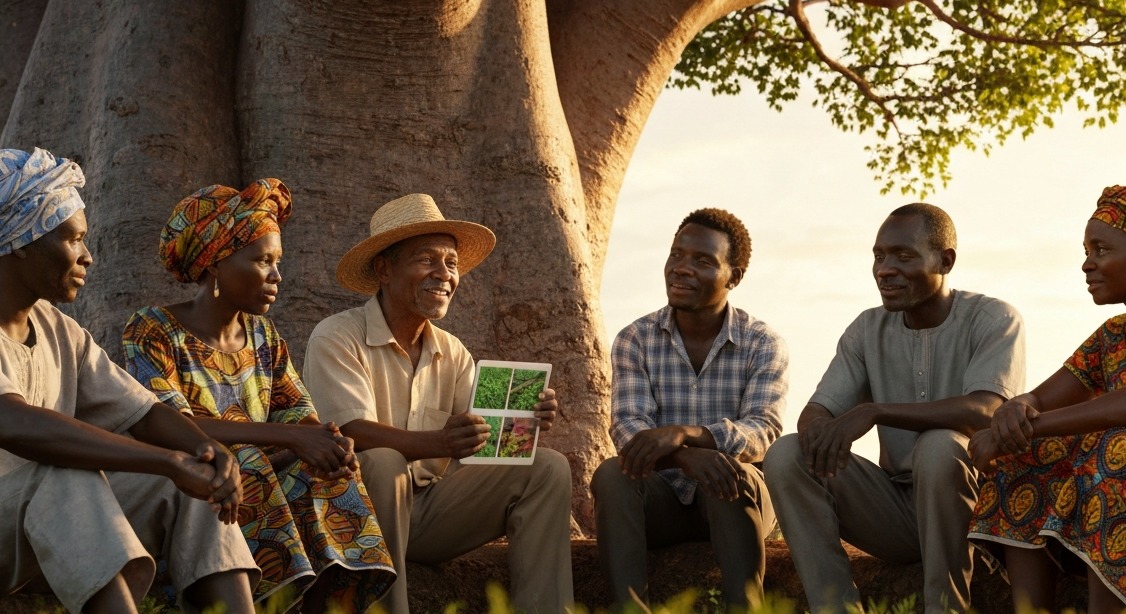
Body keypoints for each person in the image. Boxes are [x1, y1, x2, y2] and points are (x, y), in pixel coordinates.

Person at [0, 147, 259, 614]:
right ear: (21, 240)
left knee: (190, 487)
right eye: (73, 239)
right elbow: (15, 423)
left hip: (43, 526)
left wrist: (205, 451)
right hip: (18, 517)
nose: (87, 256)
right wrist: (166, 460)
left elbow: (141, 411)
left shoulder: (60, 331)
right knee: (63, 475)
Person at [122, 179, 395, 612]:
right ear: (216, 262)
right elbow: (167, 423)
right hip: (188, 485)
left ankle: (328, 603)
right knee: (245, 460)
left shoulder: (263, 335)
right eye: (263, 260)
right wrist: (290, 437)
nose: (276, 276)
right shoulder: (152, 330)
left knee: (327, 470)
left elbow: (296, 412)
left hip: (261, 478)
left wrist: (325, 441)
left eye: (277, 261)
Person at [302, 193, 573, 613]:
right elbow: (348, 432)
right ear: (384, 270)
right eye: (427, 260)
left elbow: (484, 442)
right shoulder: (336, 336)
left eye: (451, 263)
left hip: (429, 515)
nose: (444, 274)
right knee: (384, 462)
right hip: (354, 517)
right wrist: (441, 442)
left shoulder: (454, 351)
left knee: (548, 467)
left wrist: (524, 420)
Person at [763, 203, 1026, 614]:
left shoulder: (993, 318)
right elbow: (817, 413)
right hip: (896, 514)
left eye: (904, 256)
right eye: (879, 256)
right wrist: (822, 430)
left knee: (940, 446)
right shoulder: (866, 329)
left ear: (945, 261)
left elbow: (986, 409)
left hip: (974, 514)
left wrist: (875, 412)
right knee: (787, 453)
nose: (885, 270)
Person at [591, 208, 788, 610]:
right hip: (663, 502)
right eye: (676, 255)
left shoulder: (762, 342)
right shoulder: (635, 339)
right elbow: (629, 430)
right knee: (612, 474)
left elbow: (763, 430)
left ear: (733, 276)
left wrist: (691, 435)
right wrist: (684, 456)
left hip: (736, 501)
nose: (681, 268)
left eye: (702, 260)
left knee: (729, 474)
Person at [967, 185, 1126, 614]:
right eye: (1086, 251)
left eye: (1101, 249)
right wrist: (1016, 410)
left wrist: (1030, 424)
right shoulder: (1113, 334)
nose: (1087, 263)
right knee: (1020, 455)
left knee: (1115, 450)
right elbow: (1042, 395)